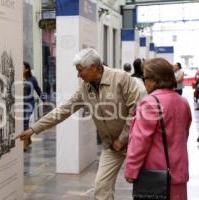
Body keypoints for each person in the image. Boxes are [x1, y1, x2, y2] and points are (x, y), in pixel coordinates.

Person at [17, 48, 141, 200]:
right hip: (111, 146)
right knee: (101, 189)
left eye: (80, 70)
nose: (78, 75)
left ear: (94, 67)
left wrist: (122, 139)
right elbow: (63, 110)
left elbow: (136, 110)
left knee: (146, 187)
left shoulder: (121, 78)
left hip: (135, 142)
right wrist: (33, 129)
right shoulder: (84, 87)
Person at [125, 58, 192, 200]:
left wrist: (131, 171)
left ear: (154, 80)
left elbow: (139, 142)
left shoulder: (150, 103)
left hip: (156, 176)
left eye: (145, 78)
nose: (144, 81)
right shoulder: (183, 102)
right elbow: (183, 134)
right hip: (178, 172)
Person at [23, 61, 44, 151]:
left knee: (25, 121)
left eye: (22, 67)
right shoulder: (16, 78)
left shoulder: (32, 79)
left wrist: (44, 100)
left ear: (27, 69)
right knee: (22, 123)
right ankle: (28, 138)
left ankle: (24, 145)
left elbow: (38, 90)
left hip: (29, 103)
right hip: (20, 104)